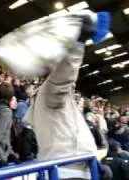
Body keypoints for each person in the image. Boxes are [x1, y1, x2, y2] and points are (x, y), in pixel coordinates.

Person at [24, 42, 97, 179]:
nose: (72, 81)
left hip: (72, 168)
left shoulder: (56, 97)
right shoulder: (51, 91)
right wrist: (77, 43)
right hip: (67, 170)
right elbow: (65, 73)